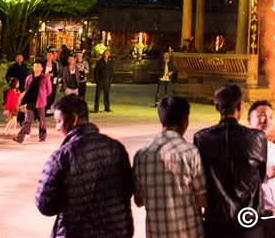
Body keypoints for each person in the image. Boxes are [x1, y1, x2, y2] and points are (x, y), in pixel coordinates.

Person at [34, 94, 135, 237]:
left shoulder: (62, 156)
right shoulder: (116, 148)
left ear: (74, 119)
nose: (57, 128)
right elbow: (127, 189)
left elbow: (45, 205)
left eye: (59, 121)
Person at [193, 83, 267, 238]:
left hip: (216, 222)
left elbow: (201, 178)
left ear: (217, 107)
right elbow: (260, 175)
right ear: (240, 106)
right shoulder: (257, 138)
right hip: (248, 223)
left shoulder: (202, 138)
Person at [133, 96, 208, 238]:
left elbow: (138, 201)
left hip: (156, 233)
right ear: (186, 118)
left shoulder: (141, 155)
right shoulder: (190, 152)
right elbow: (203, 200)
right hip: (189, 232)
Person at [248, 100, 275, 237]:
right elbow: (243, 180)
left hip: (274, 215)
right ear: (249, 120)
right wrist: (267, 174)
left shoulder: (272, 148)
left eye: (270, 117)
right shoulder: (244, 148)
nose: (267, 121)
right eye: (262, 115)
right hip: (255, 217)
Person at [16, 60, 53, 144]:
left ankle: (42, 136)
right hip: (30, 102)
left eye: (38, 67)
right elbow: (26, 87)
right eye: (35, 66)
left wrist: (43, 97)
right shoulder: (29, 78)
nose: (36, 68)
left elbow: (49, 90)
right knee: (27, 121)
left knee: (42, 120)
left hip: (40, 102)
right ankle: (20, 137)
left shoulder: (45, 78)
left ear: (42, 68)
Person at [93, 48, 113, 113]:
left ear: (109, 55)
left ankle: (107, 107)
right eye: (105, 53)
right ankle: (96, 108)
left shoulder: (110, 63)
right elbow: (96, 72)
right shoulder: (99, 62)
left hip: (107, 82)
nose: (106, 55)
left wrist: (110, 79)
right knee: (98, 95)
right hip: (100, 81)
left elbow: (111, 72)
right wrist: (98, 80)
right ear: (103, 54)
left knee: (107, 95)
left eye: (108, 53)